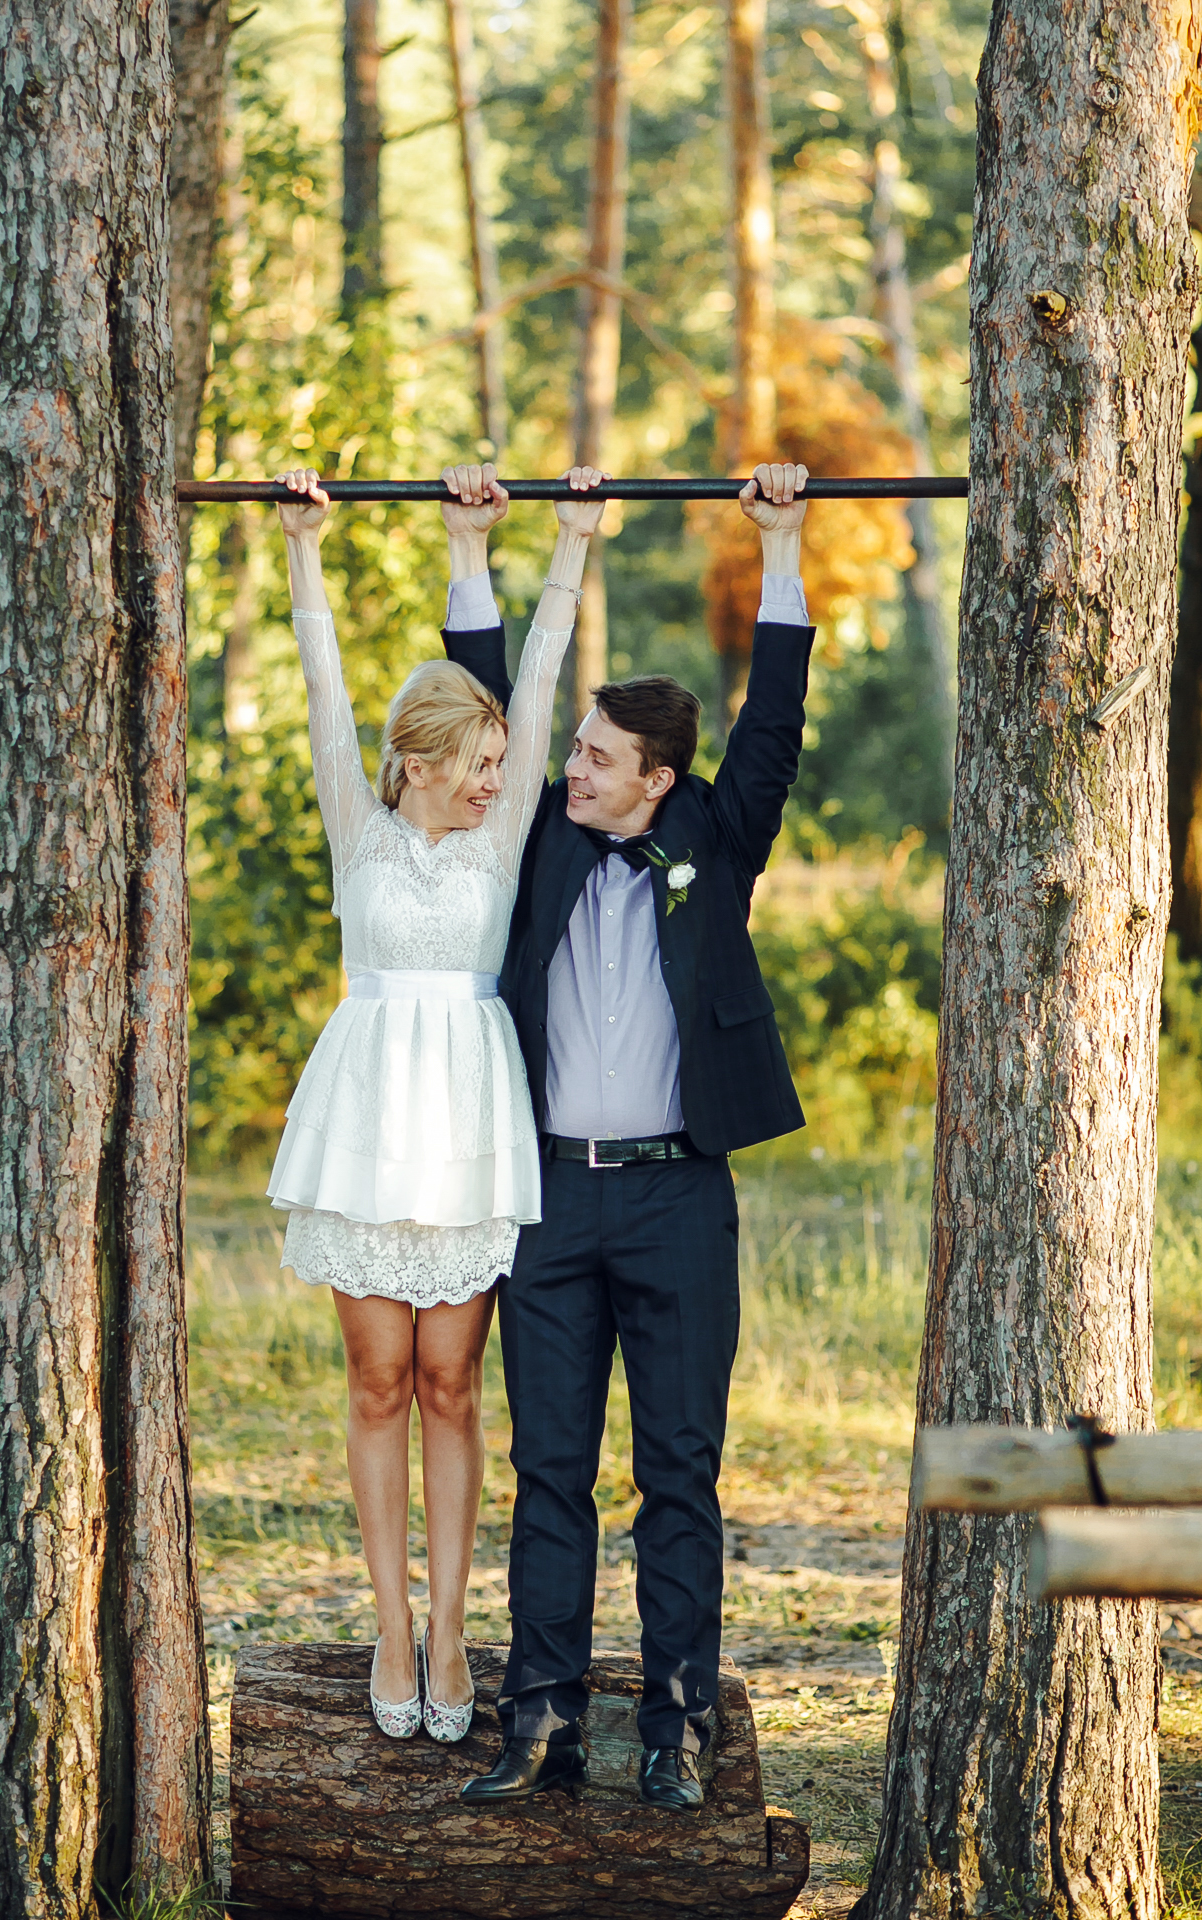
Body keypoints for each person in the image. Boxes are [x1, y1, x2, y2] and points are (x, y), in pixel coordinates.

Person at [442, 460, 815, 1809]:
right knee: (549, 1474)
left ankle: (674, 1725)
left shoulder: (718, 830)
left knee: (678, 1475)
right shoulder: (535, 836)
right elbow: (489, 707)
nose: (572, 766)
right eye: (578, 749)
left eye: (598, 757)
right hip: (545, 1205)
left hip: (677, 1204)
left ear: (657, 779)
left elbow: (772, 722)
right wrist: (471, 551)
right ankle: (538, 1722)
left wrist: (780, 543)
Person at [266, 457, 609, 1743]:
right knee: (377, 1383)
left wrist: (570, 542)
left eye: (499, 763)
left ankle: (454, 1624)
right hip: (365, 1117)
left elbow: (542, 673)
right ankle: (391, 1624)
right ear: (415, 761)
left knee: (452, 1384)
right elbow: (321, 688)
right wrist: (302, 546)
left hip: (465, 1118)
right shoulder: (355, 823)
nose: (494, 779)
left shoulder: (501, 836)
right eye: (475, 762)